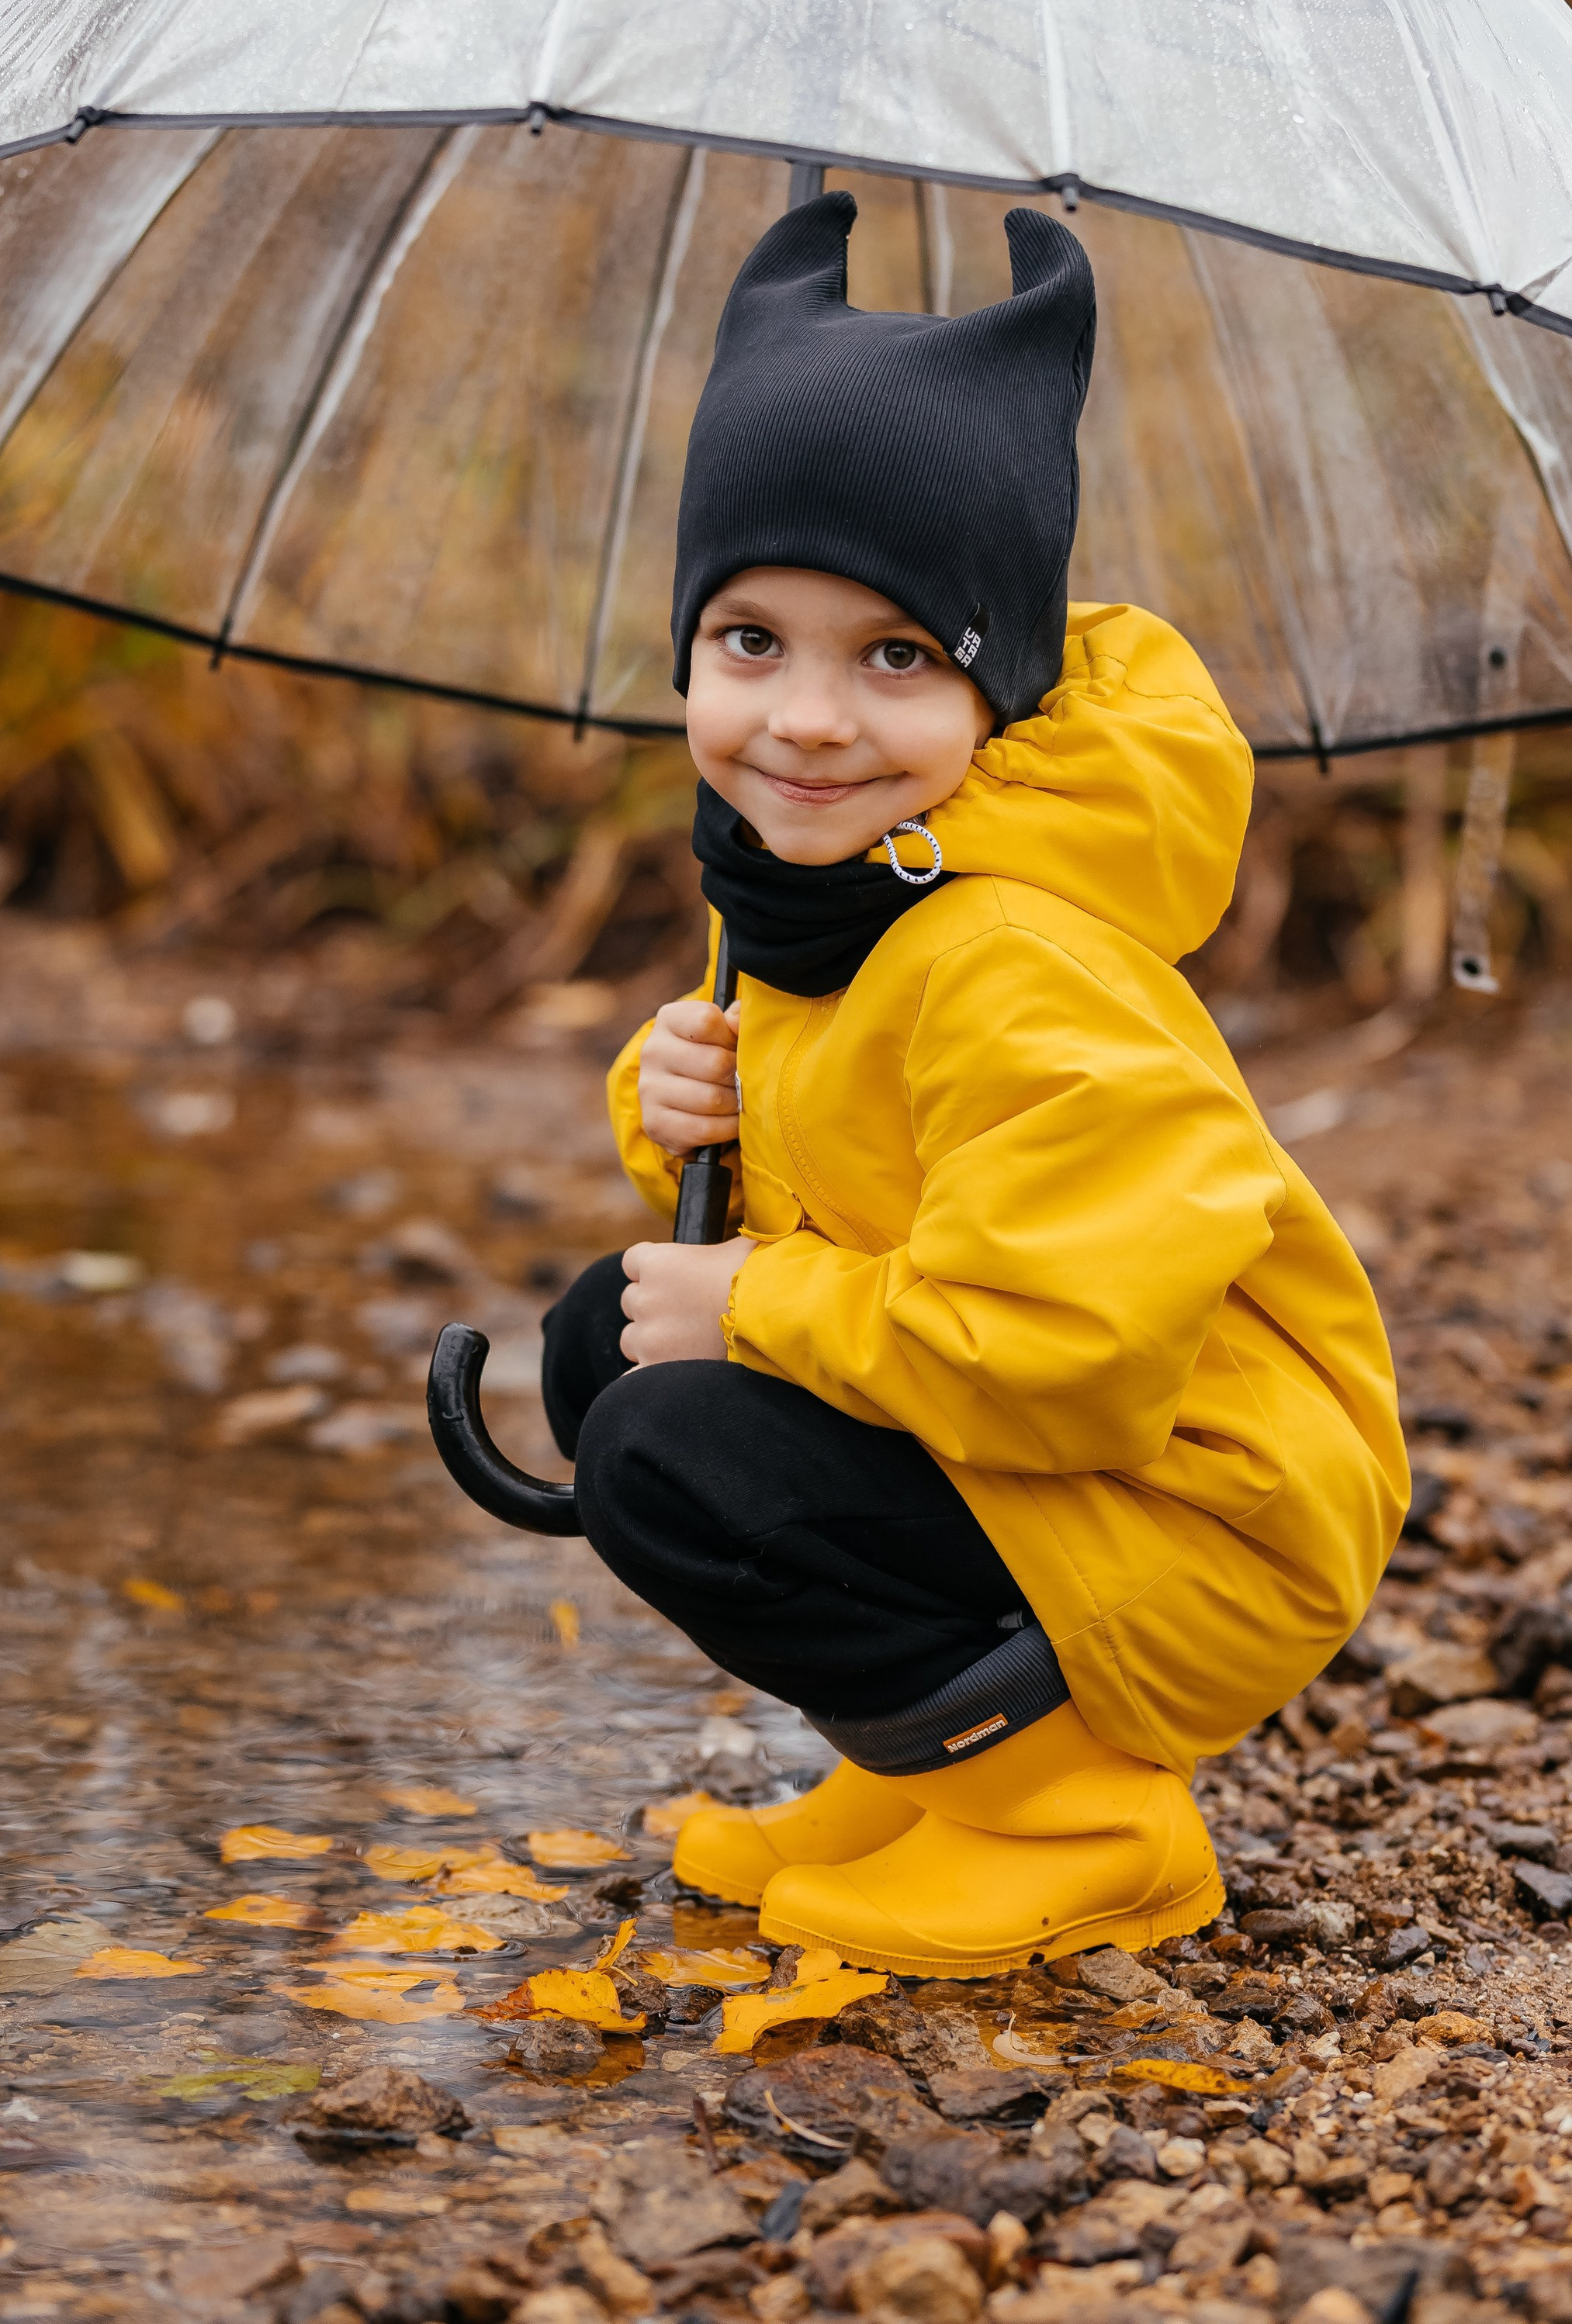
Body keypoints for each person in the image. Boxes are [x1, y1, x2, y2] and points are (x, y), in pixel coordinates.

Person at [539, 190, 1408, 1980]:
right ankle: (925, 1770)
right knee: (606, 1342)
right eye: (748, 641)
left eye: (895, 658)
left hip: (1197, 1511)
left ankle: (1080, 1819)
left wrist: (754, 1300)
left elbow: (1061, 1353)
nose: (803, 719)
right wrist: (685, 1100)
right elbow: (870, 1169)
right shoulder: (837, 893)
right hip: (1038, 1457)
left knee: (672, 1436)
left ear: (996, 688)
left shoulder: (1010, 952)